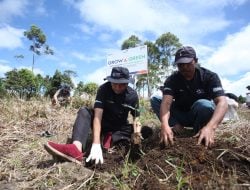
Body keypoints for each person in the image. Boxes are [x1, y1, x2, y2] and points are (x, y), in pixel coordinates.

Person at [44, 67, 141, 164]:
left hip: (119, 127)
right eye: (114, 84)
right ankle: (75, 148)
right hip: (102, 123)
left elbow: (136, 118)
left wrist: (136, 137)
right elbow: (97, 116)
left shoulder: (132, 95)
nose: (117, 88)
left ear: (127, 83)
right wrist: (96, 143)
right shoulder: (103, 89)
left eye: (122, 85)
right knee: (84, 111)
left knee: (145, 131)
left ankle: (112, 138)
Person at [150, 46, 228, 148]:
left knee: (204, 105)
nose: (185, 67)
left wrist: (211, 127)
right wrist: (165, 124)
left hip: (198, 114)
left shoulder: (209, 77)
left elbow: (222, 102)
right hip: (180, 114)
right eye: (181, 65)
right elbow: (166, 103)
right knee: (155, 99)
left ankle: (200, 130)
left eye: (188, 63)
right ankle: (175, 126)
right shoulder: (172, 80)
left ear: (195, 61)